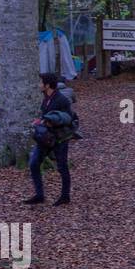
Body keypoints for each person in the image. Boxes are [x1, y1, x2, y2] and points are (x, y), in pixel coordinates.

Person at [25, 72, 78, 206]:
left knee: (62, 167)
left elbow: (68, 119)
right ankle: (39, 195)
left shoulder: (62, 100)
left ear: (47, 85)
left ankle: (65, 196)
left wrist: (50, 122)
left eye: (41, 82)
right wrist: (40, 121)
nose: (39, 85)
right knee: (34, 164)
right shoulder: (45, 98)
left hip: (59, 139)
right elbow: (45, 115)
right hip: (45, 138)